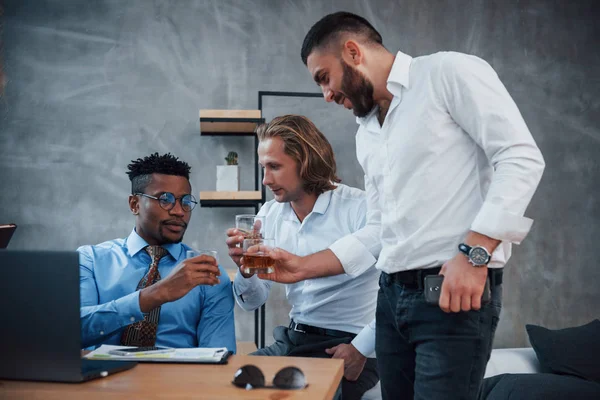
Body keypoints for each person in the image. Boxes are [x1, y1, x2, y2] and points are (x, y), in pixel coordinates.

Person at [259, 11, 546, 400]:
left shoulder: (449, 72)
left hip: (450, 293)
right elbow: (379, 228)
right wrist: (301, 267)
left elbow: (520, 157)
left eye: (324, 78)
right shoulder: (367, 133)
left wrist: (474, 254)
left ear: (352, 51)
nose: (325, 95)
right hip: (391, 300)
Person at [226, 115, 380, 400]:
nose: (265, 180)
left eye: (274, 167)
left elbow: (395, 293)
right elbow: (253, 302)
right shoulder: (269, 214)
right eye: (263, 168)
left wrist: (361, 348)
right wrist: (245, 271)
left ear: (306, 162)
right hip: (293, 340)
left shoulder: (361, 208)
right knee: (228, 385)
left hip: (347, 345)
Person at [78, 152, 236, 352]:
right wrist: (156, 294)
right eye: (165, 199)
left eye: (185, 201)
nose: (179, 211)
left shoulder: (208, 274)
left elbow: (218, 355)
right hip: (104, 379)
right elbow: (71, 331)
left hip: (179, 381)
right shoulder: (90, 260)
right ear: (134, 204)